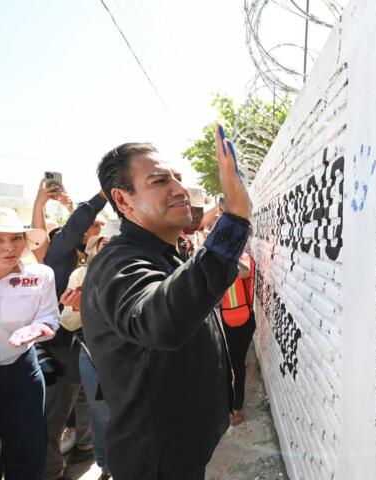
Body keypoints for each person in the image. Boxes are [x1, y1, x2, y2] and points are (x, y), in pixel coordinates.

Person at [81, 122, 251, 480]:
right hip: (156, 459)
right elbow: (161, 323)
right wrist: (233, 218)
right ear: (123, 200)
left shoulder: (168, 253)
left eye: (177, 178)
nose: (180, 190)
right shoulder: (118, 262)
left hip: (188, 448)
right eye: (159, 181)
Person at [0, 206, 60, 479]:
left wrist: (38, 328)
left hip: (21, 376)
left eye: (16, 238)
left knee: (29, 457)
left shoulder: (40, 276)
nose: (9, 247)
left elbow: (50, 318)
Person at [39, 186, 108, 480]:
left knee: (88, 409)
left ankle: (83, 450)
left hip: (90, 352)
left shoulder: (95, 263)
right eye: (92, 224)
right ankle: (53, 472)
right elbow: (76, 224)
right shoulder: (60, 259)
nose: (96, 228)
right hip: (63, 351)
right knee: (50, 422)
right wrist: (102, 196)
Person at [59, 234, 112, 479]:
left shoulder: (135, 270)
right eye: (104, 243)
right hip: (92, 354)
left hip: (131, 355)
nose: (109, 248)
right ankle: (104, 464)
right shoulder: (80, 276)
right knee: (101, 414)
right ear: (94, 249)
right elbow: (68, 323)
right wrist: (80, 308)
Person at [220, 249, 256, 426]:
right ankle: (228, 405)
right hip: (225, 320)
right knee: (228, 364)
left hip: (244, 321)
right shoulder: (219, 262)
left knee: (238, 365)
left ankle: (237, 407)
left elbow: (245, 272)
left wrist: (228, 256)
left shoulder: (244, 258)